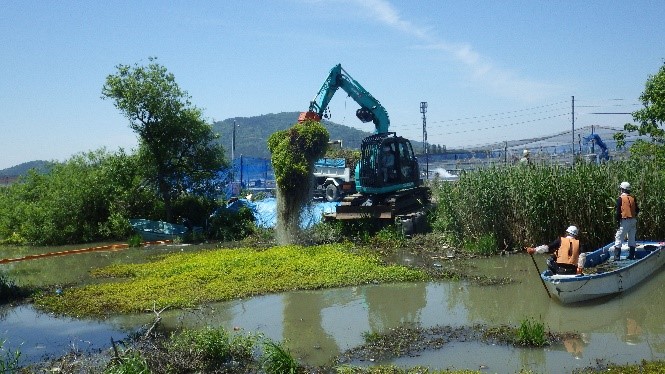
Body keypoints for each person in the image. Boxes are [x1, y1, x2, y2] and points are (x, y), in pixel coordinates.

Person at [613, 181, 639, 260]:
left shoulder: (620, 198)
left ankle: (617, 257)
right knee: (632, 238)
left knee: (619, 238)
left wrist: (617, 222)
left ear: (622, 189)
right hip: (633, 220)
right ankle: (631, 256)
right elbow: (637, 210)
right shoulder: (633, 198)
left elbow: (618, 213)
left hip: (625, 221)